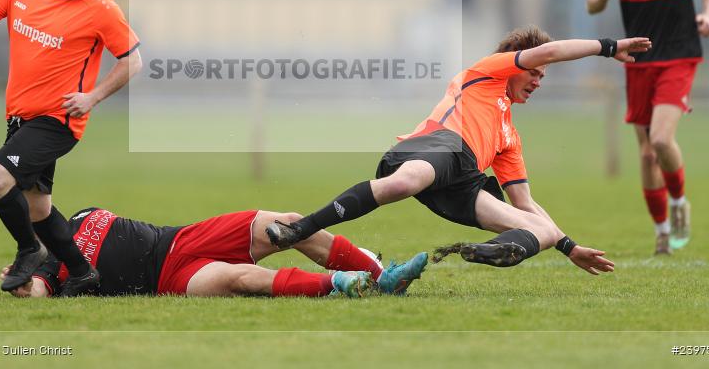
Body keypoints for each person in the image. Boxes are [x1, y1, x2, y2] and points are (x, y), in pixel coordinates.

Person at [265, 27, 650, 274]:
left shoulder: (509, 136)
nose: (539, 81)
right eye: (535, 72)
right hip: (440, 146)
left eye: (542, 77)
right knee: (408, 181)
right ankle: (301, 228)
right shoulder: (487, 71)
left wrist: (570, 247)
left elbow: (526, 202)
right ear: (516, 59)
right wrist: (609, 47)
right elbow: (551, 51)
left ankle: (488, 251)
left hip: (463, 182)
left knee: (543, 229)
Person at [0, 0, 144, 295]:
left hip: (58, 121)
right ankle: (81, 272)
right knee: (37, 208)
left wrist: (92, 98)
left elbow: (132, 62)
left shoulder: (101, 9)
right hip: (20, 119)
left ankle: (30, 250)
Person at [585, 0, 709, 254]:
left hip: (680, 53)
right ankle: (661, 230)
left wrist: (708, 13)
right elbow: (591, 3)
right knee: (645, 153)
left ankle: (679, 202)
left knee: (661, 139)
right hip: (637, 56)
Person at [0, 206, 428, 298]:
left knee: (289, 225)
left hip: (181, 239)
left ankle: (381, 276)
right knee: (240, 280)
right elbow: (35, 295)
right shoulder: (49, 272)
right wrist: (17, 284)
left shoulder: (77, 215)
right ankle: (338, 285)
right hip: (167, 281)